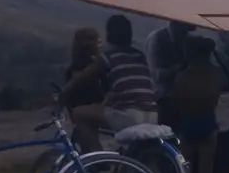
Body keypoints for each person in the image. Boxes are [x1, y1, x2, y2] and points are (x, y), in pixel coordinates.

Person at [61, 14, 158, 152]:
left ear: (109, 35)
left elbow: (81, 78)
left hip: (129, 115)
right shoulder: (139, 55)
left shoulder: (107, 57)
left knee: (79, 114)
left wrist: (63, 92)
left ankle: (97, 157)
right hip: (153, 114)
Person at [170, 35, 229, 173]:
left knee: (184, 172)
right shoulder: (217, 74)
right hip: (208, 122)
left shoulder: (182, 76)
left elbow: (176, 102)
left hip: (188, 122)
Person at [145, 20, 196, 132]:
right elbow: (155, 75)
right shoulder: (157, 39)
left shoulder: (188, 40)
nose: (185, 33)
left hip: (185, 99)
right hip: (164, 98)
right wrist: (176, 69)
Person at [62, 27, 105, 143]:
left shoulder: (74, 68)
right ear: (89, 44)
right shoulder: (89, 68)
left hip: (82, 114)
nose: (101, 45)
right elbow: (95, 93)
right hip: (87, 114)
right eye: (98, 42)